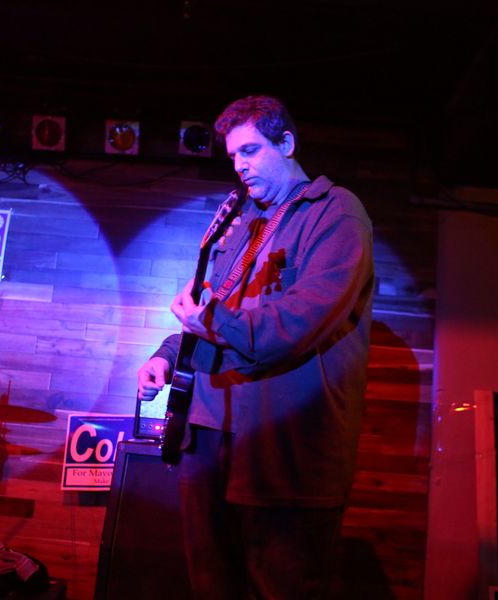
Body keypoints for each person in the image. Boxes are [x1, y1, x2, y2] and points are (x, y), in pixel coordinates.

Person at [136, 95, 374, 598]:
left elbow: (299, 321)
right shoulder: (241, 219)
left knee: (283, 585)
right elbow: (214, 312)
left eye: (250, 150)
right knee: (210, 584)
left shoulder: (336, 213)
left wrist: (212, 319)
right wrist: (167, 355)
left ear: (286, 143)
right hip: (208, 433)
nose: (240, 166)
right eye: (233, 156)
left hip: (282, 444)